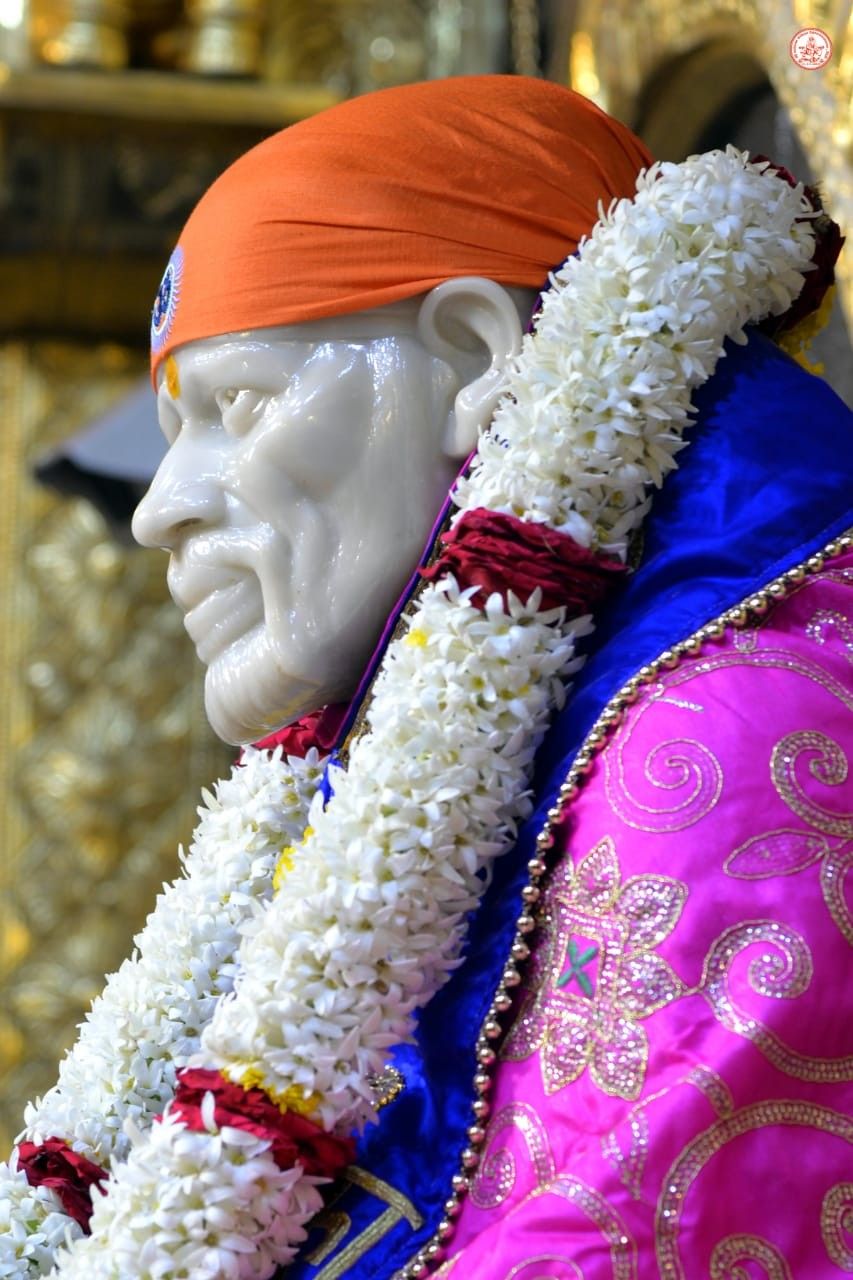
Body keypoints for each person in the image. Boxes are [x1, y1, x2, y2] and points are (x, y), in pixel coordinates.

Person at [5, 76, 852, 1280]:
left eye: (237, 406)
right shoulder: (477, 747)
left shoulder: (744, 727)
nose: (159, 508)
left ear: (470, 358)